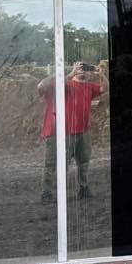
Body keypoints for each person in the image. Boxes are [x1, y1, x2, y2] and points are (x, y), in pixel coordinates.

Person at [39, 62, 105, 201]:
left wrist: (101, 75)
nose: (82, 71)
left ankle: (84, 188)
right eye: (79, 68)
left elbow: (104, 88)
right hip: (60, 132)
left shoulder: (88, 87)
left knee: (84, 162)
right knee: (53, 163)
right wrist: (70, 73)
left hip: (82, 131)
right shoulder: (63, 85)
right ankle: (47, 193)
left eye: (85, 69)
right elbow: (42, 86)